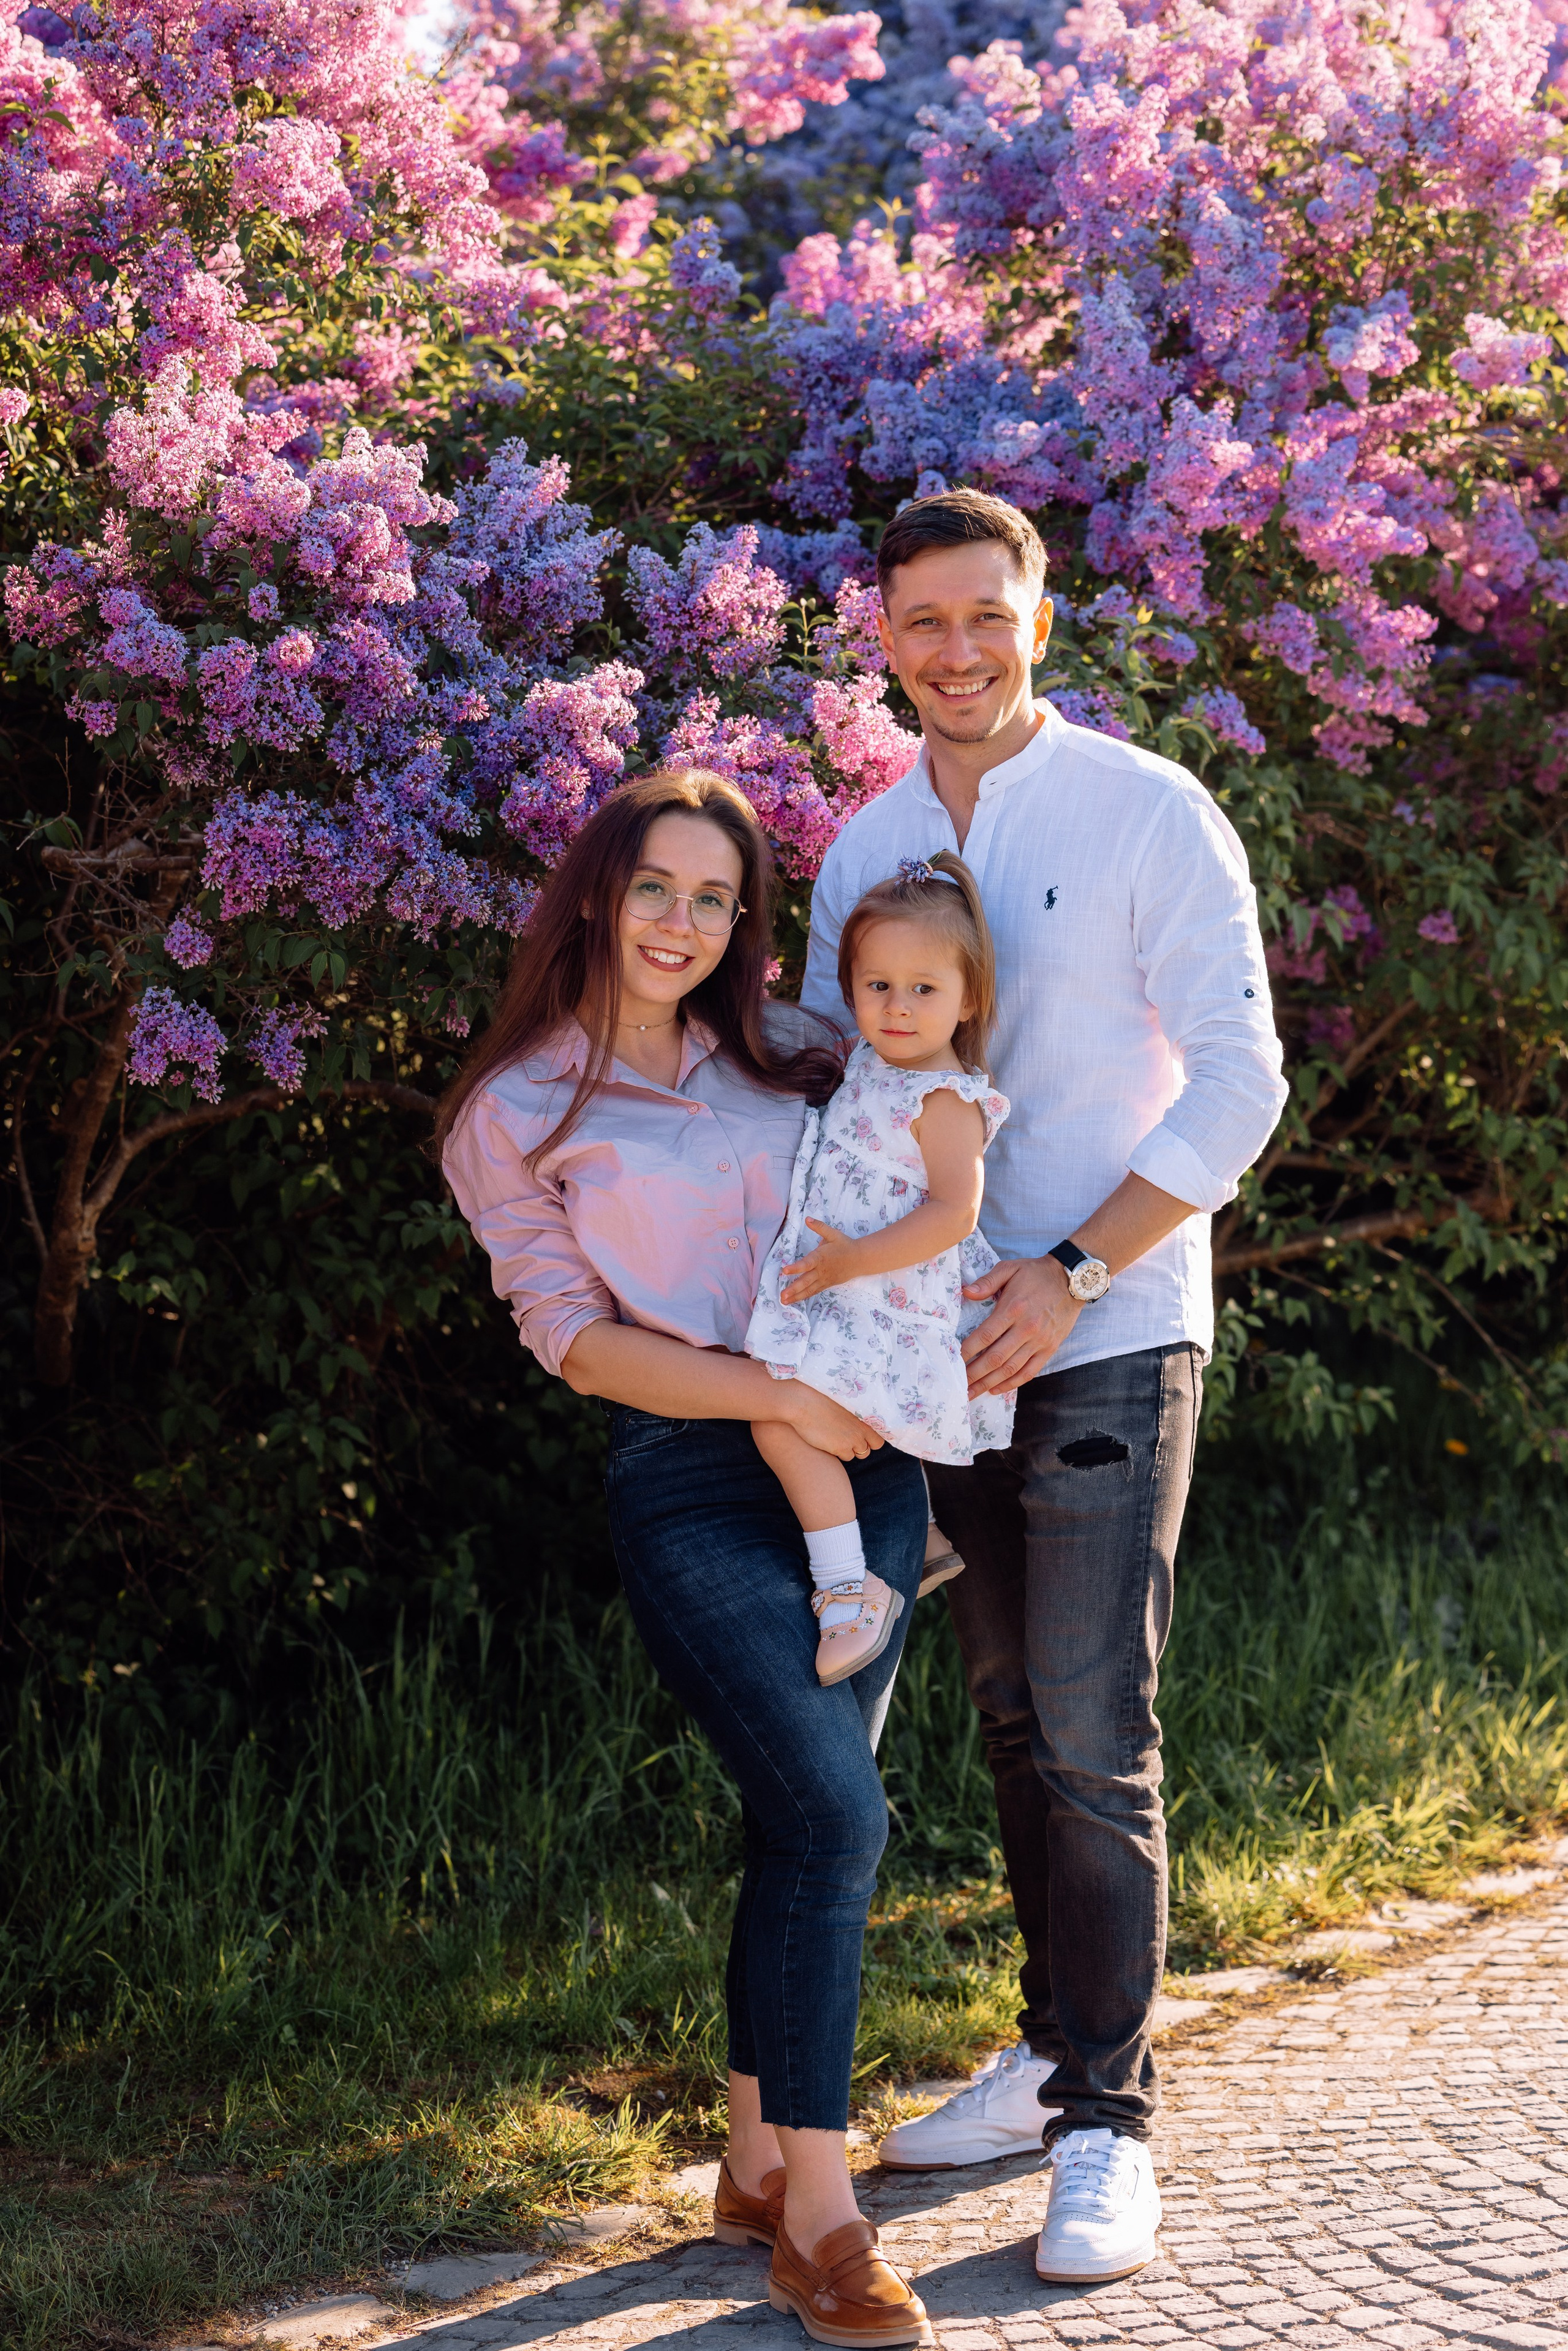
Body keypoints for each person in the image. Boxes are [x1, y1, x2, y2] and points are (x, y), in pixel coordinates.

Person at [801, 490, 1288, 2285]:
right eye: (920, 620)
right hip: (932, 1362)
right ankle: (1047, 2052)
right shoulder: (862, 849)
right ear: (882, 637)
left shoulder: (1150, 809)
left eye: (984, 613)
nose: (955, 649)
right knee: (1009, 1715)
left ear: (1040, 619)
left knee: (1090, 1724)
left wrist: (1068, 1266)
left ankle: (1107, 2124)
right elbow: (839, 1095)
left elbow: (1239, 1081)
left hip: (1108, 1322)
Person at [440, 767, 933, 2349]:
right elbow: (573, 1338)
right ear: (598, 891)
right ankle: (824, 2219)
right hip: (691, 1475)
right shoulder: (513, 1108)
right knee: (838, 1812)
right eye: (655, 884)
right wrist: (770, 1392)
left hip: (865, 1471)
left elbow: (916, 1172)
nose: (681, 919)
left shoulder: (794, 1052)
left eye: (714, 896)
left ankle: (750, 2163)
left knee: (804, 1823)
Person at [745, 850, 1014, 1686]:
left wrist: (851, 1261)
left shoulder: (945, 1099)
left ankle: (848, 1589)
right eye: (877, 985)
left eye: (924, 989)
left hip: (882, 1293)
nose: (897, 1006)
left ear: (969, 998)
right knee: (797, 1418)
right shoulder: (870, 1061)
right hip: (845, 1287)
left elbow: (954, 1211)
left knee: (778, 1421)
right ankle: (917, 1538)